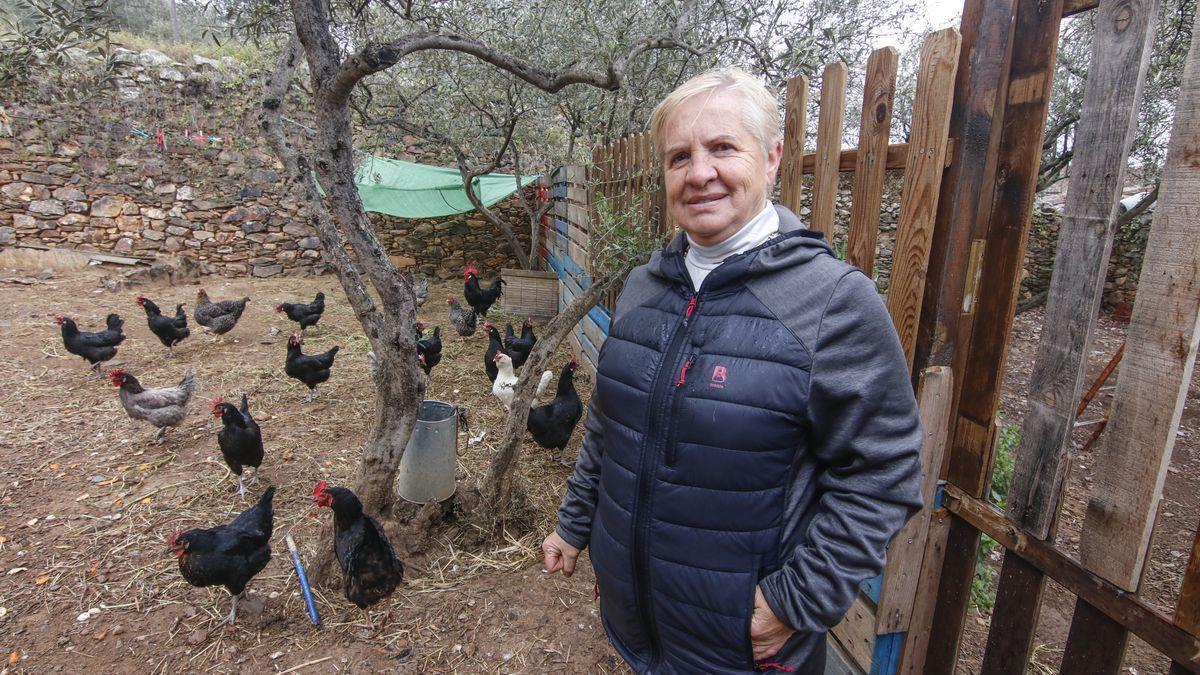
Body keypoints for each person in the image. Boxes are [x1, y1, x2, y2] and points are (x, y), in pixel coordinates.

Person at [540, 67, 924, 674]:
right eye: (678, 157)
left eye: (723, 148)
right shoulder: (643, 289)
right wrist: (574, 525)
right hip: (640, 630)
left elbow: (885, 471)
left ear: (772, 158)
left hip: (745, 653)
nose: (699, 173)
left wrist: (793, 601)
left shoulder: (832, 303)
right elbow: (611, 429)